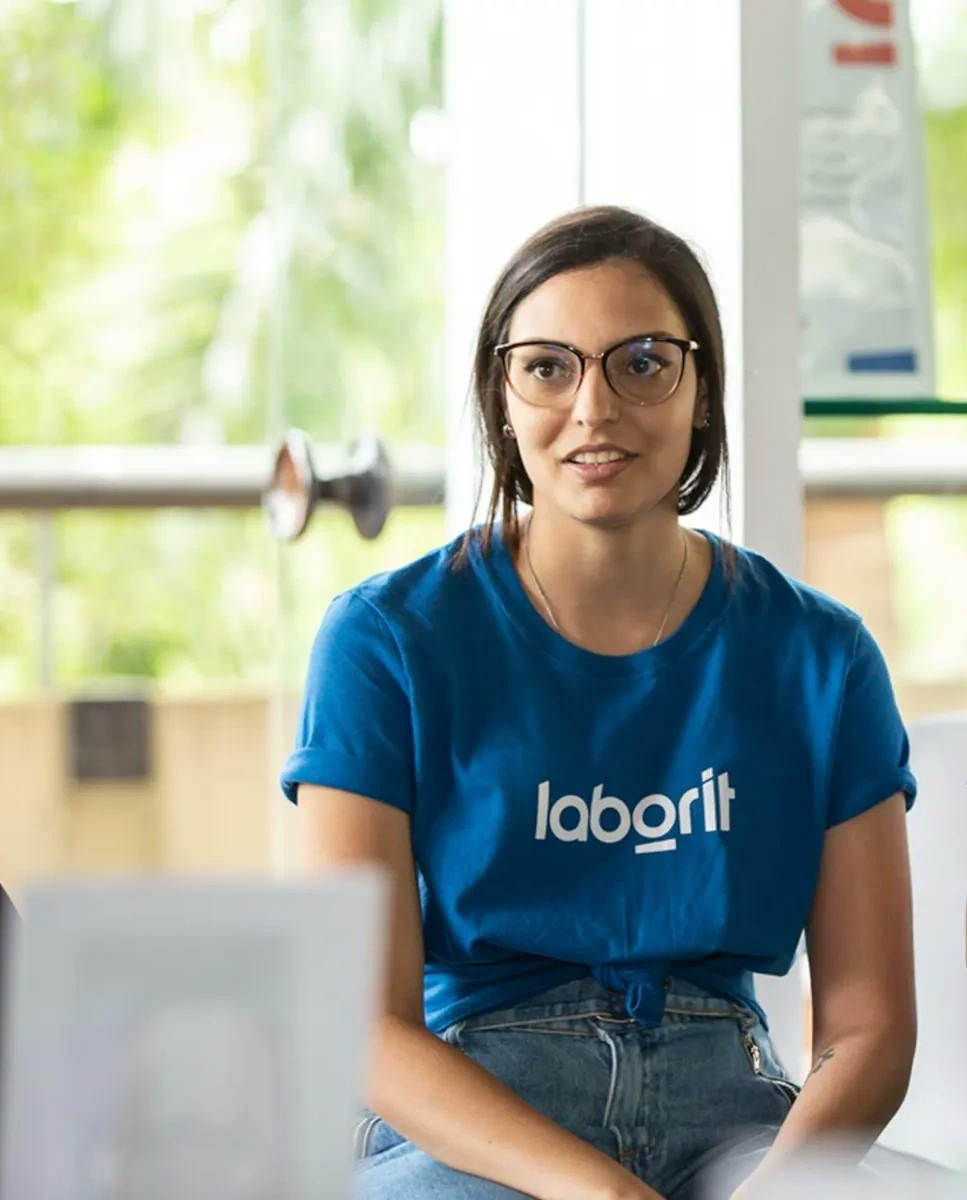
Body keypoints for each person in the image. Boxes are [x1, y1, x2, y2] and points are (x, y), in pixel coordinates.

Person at [280, 206, 917, 1200]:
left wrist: (777, 1193)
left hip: (740, 1123)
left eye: (644, 362)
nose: (593, 408)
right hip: (479, 1120)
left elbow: (871, 1027)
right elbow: (365, 1028)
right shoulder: (386, 640)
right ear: (500, 396)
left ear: (700, 391)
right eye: (547, 366)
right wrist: (604, 1192)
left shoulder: (819, 655)